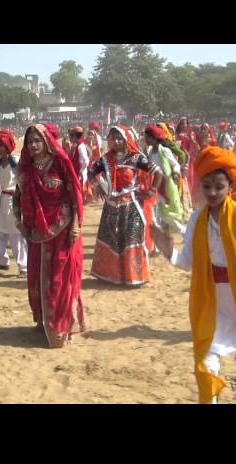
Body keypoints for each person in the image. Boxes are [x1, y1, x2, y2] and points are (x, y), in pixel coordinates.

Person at [152, 146, 236, 404]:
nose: (212, 193)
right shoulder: (197, 219)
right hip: (210, 301)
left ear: (230, 187)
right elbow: (187, 261)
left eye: (218, 187)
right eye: (207, 186)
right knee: (206, 364)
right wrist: (168, 251)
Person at [14, 123, 86, 348]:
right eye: (29, 142)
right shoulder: (26, 168)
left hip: (63, 230)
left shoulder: (61, 162)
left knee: (60, 278)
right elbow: (17, 197)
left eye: (37, 141)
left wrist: (76, 223)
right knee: (37, 276)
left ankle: (64, 324)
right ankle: (44, 320)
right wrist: (19, 222)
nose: (33, 145)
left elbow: (75, 194)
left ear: (46, 141)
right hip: (36, 232)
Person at [88, 125, 163, 286]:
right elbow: (91, 172)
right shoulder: (105, 159)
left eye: (119, 138)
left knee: (131, 240)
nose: (116, 141)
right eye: (113, 138)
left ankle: (133, 276)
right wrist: (97, 186)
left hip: (130, 207)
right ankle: (110, 276)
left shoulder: (136, 158)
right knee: (112, 240)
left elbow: (158, 173)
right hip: (111, 207)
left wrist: (151, 191)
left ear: (125, 139)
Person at [0, 129, 27, 277]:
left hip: (15, 200)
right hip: (2, 199)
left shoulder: (15, 161)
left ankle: (23, 267)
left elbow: (24, 179)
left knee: (16, 234)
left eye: (1, 145)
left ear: (7, 146)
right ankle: (1, 261)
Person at [144, 124, 185, 237]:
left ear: (154, 138)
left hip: (165, 186)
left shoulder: (165, 151)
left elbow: (175, 164)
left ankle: (184, 232)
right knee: (156, 215)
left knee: (165, 216)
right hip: (155, 186)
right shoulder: (150, 153)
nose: (145, 139)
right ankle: (156, 245)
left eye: (147, 137)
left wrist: (176, 173)